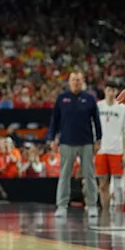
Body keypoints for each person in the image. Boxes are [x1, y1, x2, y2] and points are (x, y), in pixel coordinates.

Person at [48, 70, 101, 219]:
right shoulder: (62, 98)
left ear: (82, 81)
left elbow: (96, 121)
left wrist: (98, 139)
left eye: (78, 80)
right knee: (64, 175)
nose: (75, 82)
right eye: (73, 80)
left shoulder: (90, 99)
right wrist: (52, 138)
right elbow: (55, 120)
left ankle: (91, 205)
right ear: (69, 81)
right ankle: (62, 206)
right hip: (66, 142)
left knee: (89, 175)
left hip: (86, 142)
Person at [95, 82, 125, 211]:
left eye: (113, 90)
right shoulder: (98, 106)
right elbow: (93, 128)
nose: (111, 93)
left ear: (117, 92)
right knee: (103, 185)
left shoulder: (123, 108)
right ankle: (105, 212)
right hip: (101, 150)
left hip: (117, 150)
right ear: (105, 91)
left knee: (118, 186)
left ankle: (119, 213)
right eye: (109, 90)